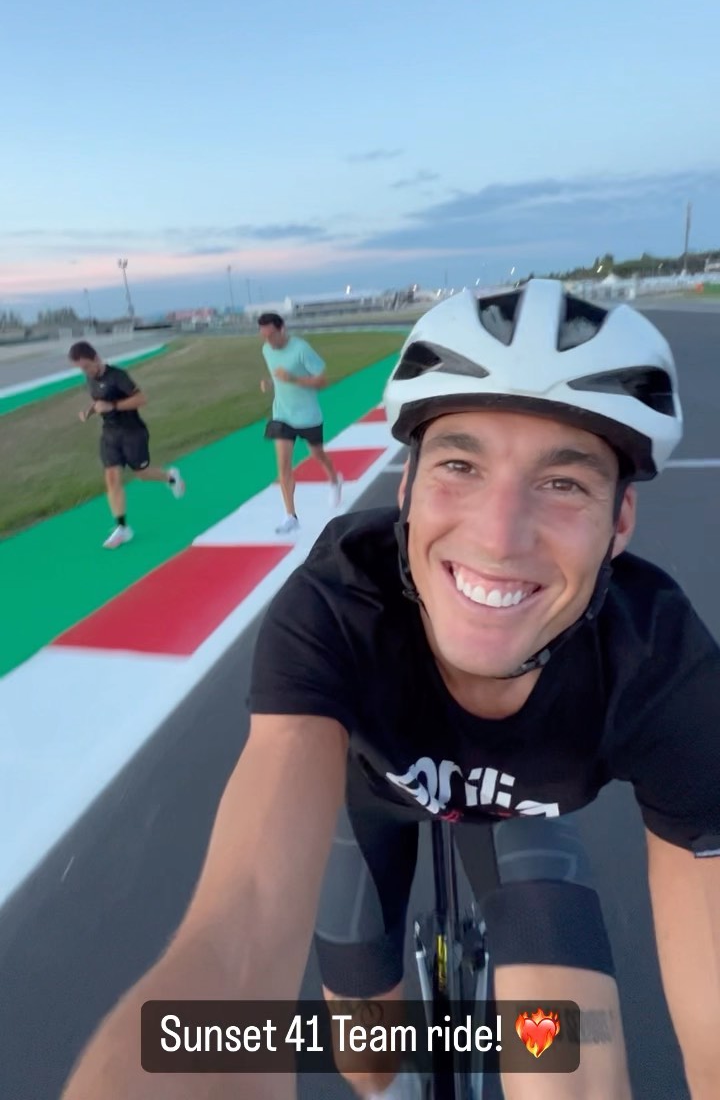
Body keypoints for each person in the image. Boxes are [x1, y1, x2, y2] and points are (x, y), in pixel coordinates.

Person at [62, 281, 720, 1100]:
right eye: (459, 466)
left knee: (569, 1068)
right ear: (405, 491)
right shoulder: (336, 604)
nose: (499, 537)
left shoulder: (661, 661)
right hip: (368, 801)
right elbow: (238, 937)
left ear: (619, 523)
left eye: (564, 483)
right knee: (366, 1053)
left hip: (516, 817)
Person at [69, 341, 185, 548]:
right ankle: (122, 528)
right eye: (80, 369)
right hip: (110, 434)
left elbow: (141, 399)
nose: (85, 372)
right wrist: (90, 411)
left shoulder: (118, 376)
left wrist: (112, 406)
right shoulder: (90, 379)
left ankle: (170, 477)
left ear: (96, 358)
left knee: (142, 474)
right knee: (112, 478)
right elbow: (99, 401)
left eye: (86, 366)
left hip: (133, 433)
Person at [257, 312, 342, 533]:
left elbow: (322, 381)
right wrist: (269, 383)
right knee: (283, 465)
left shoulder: (301, 349)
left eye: (271, 335)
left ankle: (334, 480)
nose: (268, 341)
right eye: (264, 336)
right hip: (282, 415)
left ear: (282, 329)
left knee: (317, 454)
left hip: (308, 415)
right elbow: (277, 376)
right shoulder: (266, 350)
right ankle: (290, 515)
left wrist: (293, 379)